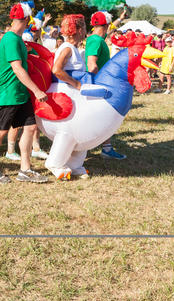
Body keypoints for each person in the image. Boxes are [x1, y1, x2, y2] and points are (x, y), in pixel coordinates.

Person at [0, 3, 49, 184]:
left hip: (19, 93)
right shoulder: (11, 39)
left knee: (30, 127)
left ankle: (25, 169)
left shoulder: (17, 39)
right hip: (7, 93)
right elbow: (17, 68)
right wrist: (36, 90)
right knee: (0, 130)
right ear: (27, 20)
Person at [46, 14, 91, 179]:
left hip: (73, 95)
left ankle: (75, 164)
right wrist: (76, 84)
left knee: (82, 129)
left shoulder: (74, 48)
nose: (86, 30)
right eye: (84, 27)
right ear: (78, 30)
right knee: (69, 131)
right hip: (66, 94)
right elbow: (56, 70)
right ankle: (55, 164)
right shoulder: (67, 48)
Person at [85, 10, 127, 160]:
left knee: (105, 117)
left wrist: (120, 19)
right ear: (107, 24)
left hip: (100, 83)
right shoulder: (96, 40)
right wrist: (101, 82)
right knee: (103, 117)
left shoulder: (97, 38)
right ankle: (100, 148)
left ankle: (106, 148)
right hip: (99, 85)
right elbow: (91, 65)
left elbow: (109, 30)